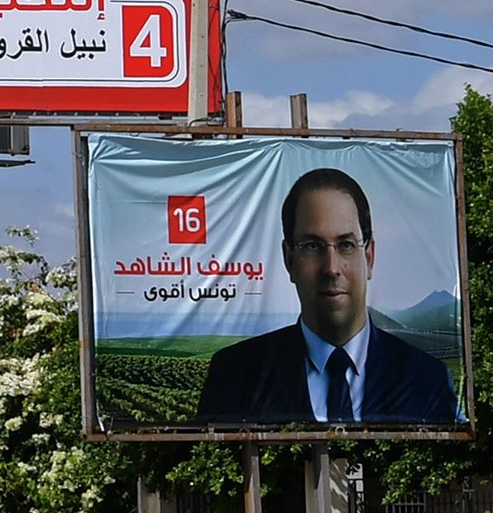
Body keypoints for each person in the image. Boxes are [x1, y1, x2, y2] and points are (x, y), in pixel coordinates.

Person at [196, 168, 460, 425]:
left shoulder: (428, 380)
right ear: (289, 260)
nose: (331, 268)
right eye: (312, 246)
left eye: (346, 245)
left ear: (369, 257)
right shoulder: (235, 376)